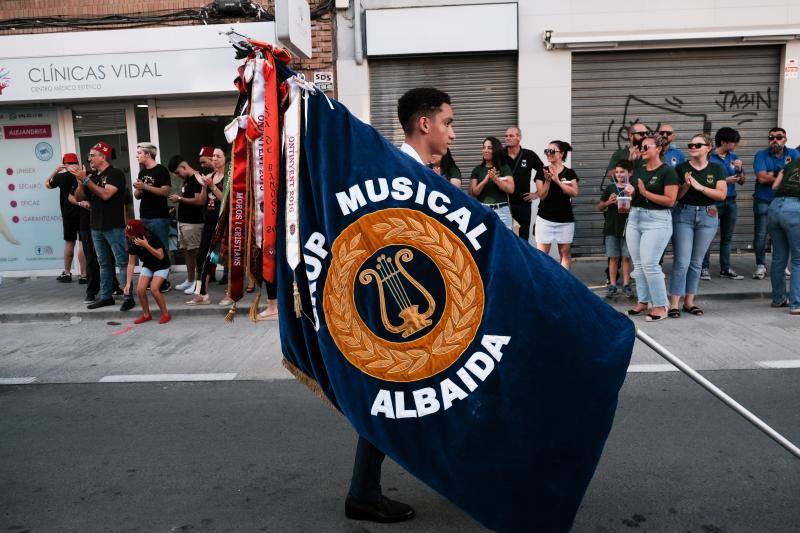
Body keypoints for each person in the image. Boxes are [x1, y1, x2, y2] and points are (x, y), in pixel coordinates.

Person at [341, 87, 455, 525]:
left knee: (420, 400)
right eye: (447, 122)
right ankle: (363, 493)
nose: (452, 132)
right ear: (424, 124)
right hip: (403, 314)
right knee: (398, 402)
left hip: (424, 312)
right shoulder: (397, 174)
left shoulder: (419, 173)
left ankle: (443, 472)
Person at [667, 134, 727, 317]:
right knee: (682, 262)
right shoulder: (681, 168)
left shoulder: (716, 169)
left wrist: (700, 187)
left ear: (708, 147)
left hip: (708, 215)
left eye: (697, 145)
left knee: (696, 262)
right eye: (690, 144)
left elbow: (721, 195)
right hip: (684, 213)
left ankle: (689, 302)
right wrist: (686, 185)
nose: (692, 147)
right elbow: (676, 197)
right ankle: (674, 304)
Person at [72, 141, 135, 311]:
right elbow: (78, 198)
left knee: (122, 262)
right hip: (96, 226)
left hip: (113, 225)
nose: (89, 159)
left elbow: (106, 194)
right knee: (104, 263)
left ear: (103, 156)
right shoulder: (92, 176)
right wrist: (80, 182)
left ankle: (128, 296)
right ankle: (106, 296)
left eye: (92, 155)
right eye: (89, 156)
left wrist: (86, 180)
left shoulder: (115, 174)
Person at [624, 134, 679, 322]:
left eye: (647, 147)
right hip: (635, 217)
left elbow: (670, 201)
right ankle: (643, 301)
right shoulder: (639, 169)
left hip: (657, 220)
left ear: (659, 149)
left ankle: (661, 306)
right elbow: (633, 191)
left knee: (650, 264)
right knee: (638, 265)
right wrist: (629, 192)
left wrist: (644, 192)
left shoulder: (668, 172)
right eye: (641, 147)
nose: (642, 150)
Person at [752, 128, 800, 279]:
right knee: (761, 235)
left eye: (779, 137)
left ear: (785, 139)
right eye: (771, 137)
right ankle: (760, 266)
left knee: (788, 235)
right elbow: (762, 178)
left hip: (787, 202)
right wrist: (784, 177)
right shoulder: (761, 155)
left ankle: (785, 267)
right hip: (764, 200)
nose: (774, 140)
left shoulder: (793, 154)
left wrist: (773, 174)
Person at [701, 127, 746, 280]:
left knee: (727, 237)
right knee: (707, 235)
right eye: (734, 142)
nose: (736, 145)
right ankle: (704, 268)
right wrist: (724, 181)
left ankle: (725, 268)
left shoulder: (733, 157)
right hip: (714, 202)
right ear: (723, 142)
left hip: (731, 201)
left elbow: (742, 182)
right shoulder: (709, 158)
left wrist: (739, 170)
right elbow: (703, 181)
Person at [186, 148, 226, 305]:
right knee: (201, 257)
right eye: (213, 156)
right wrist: (204, 186)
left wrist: (213, 187)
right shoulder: (210, 176)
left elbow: (226, 200)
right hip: (209, 222)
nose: (215, 159)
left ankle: (231, 293)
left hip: (223, 222)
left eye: (218, 156)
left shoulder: (228, 178)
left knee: (226, 258)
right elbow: (202, 201)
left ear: (224, 159)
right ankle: (201, 294)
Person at [133, 142, 172, 292]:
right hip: (145, 216)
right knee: (147, 248)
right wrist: (138, 190)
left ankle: (164, 281)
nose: (137, 156)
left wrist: (145, 187)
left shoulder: (161, 170)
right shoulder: (142, 172)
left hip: (159, 216)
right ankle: (152, 279)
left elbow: (166, 192)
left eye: (139, 153)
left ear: (148, 154)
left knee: (161, 247)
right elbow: (137, 196)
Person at [534, 141, 579, 270]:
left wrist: (558, 181)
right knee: (542, 255)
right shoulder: (541, 172)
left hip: (565, 220)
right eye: (547, 151)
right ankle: (544, 284)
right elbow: (541, 195)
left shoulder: (569, 173)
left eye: (552, 151)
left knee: (565, 254)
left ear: (561, 154)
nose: (549, 154)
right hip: (545, 219)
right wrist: (548, 181)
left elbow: (574, 192)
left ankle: (565, 284)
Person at [44, 153, 86, 283]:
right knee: (82, 243)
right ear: (77, 163)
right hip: (83, 211)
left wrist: (55, 171)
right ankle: (83, 275)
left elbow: (46, 184)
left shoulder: (60, 177)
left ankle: (67, 273)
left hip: (68, 213)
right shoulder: (83, 175)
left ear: (65, 164)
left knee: (70, 242)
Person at [167, 155, 206, 295]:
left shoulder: (197, 178)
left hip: (193, 222)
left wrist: (179, 199)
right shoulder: (187, 180)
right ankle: (190, 280)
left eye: (178, 172)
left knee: (195, 253)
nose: (178, 175)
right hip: (184, 222)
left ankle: (197, 282)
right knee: (187, 252)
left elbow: (199, 200)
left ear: (184, 166)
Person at [767, 160, 800, 315]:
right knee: (798, 259)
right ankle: (796, 304)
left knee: (779, 257)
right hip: (795, 209)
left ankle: (778, 299)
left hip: (775, 206)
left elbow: (774, 186)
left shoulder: (789, 165)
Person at [124, 219, 171, 324]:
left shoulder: (152, 237)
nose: (129, 237)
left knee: (154, 289)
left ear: (140, 233)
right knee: (140, 290)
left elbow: (160, 256)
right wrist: (127, 283)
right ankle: (146, 315)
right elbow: (131, 264)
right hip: (148, 265)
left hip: (162, 265)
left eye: (131, 235)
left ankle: (165, 314)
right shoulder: (130, 241)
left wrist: (146, 245)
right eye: (128, 234)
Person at [598, 159, 634, 298]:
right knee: (613, 257)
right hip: (612, 227)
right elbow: (599, 207)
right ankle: (612, 284)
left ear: (630, 173)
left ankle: (626, 284)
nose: (619, 174)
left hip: (628, 228)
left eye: (622, 172)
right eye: (617, 172)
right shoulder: (610, 188)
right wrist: (608, 202)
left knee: (626, 257)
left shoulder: (632, 188)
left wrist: (631, 195)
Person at [504, 126, 544, 241]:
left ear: (519, 138)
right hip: (504, 203)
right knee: (505, 236)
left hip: (523, 203)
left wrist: (537, 193)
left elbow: (543, 170)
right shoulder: (500, 155)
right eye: (506, 136)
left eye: (511, 136)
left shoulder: (529, 155)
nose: (507, 138)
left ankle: (522, 259)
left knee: (523, 237)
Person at [469, 137, 514, 229]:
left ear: (496, 150)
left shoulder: (504, 168)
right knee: (484, 242)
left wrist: (495, 179)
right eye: (484, 147)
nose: (485, 150)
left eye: (489, 148)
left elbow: (511, 189)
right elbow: (473, 193)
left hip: (502, 211)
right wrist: (485, 180)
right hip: (483, 210)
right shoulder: (478, 169)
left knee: (505, 241)